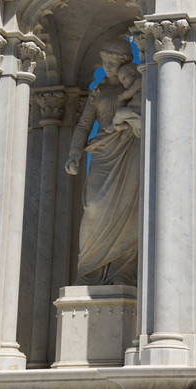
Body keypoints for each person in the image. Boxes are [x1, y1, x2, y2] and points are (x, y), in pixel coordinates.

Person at [65, 39, 140, 286]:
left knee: (129, 211)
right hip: (102, 152)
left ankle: (122, 272)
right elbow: (85, 124)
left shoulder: (137, 87)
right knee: (93, 208)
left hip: (129, 149)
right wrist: (75, 152)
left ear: (124, 63)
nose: (107, 67)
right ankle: (89, 272)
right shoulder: (97, 92)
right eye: (105, 62)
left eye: (112, 62)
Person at [105, 62, 142, 136]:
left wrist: (123, 96)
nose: (124, 85)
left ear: (132, 72)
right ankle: (123, 126)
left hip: (137, 110)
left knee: (119, 113)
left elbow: (130, 92)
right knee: (121, 115)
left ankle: (114, 125)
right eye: (122, 83)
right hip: (134, 111)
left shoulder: (140, 81)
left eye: (124, 79)